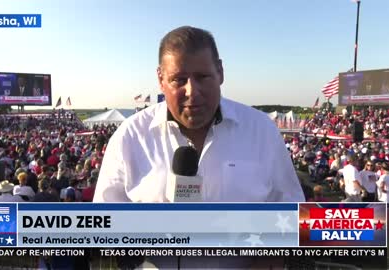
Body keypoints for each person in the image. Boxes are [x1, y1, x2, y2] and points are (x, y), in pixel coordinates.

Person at [94, 26, 304, 268]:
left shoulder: (262, 131)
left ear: (220, 72)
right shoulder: (129, 137)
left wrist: (271, 259)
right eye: (179, 80)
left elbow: (294, 215)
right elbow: (103, 226)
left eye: (203, 77)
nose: (192, 92)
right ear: (161, 79)